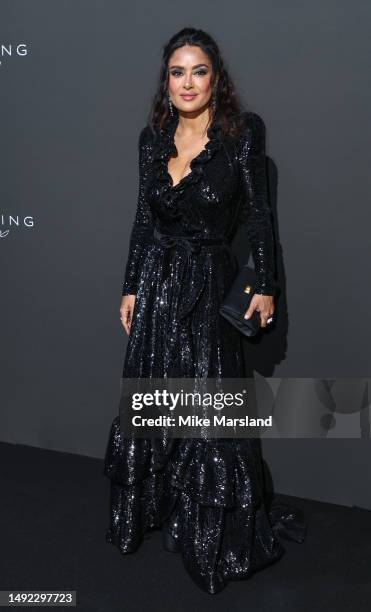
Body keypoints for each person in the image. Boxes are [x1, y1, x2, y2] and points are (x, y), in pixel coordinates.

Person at [104, 27, 306, 594]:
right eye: (176, 72)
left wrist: (265, 282)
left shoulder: (240, 133)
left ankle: (207, 534)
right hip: (157, 287)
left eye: (198, 71)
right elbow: (143, 221)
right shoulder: (153, 138)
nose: (187, 82)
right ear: (165, 81)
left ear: (216, 78)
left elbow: (260, 216)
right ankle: (154, 511)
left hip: (208, 284)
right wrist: (129, 287)